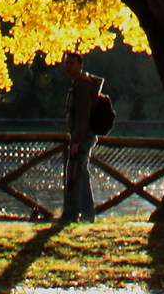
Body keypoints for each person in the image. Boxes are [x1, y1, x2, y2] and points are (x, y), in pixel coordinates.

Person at [62, 51, 103, 223]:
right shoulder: (78, 84)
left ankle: (75, 214)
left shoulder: (81, 85)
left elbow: (82, 115)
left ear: (80, 65)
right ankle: (84, 214)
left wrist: (76, 141)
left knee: (76, 173)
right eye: (66, 63)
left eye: (72, 63)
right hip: (83, 136)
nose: (68, 66)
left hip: (83, 137)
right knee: (79, 173)